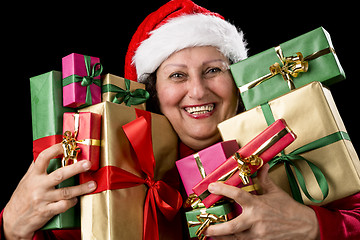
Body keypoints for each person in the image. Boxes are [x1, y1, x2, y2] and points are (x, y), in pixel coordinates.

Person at [1, 0, 360, 239]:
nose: (198, 91)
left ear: (238, 79)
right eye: (177, 76)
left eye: (213, 70)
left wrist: (313, 226)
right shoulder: (106, 167)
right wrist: (12, 228)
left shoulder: (293, 138)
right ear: (153, 93)